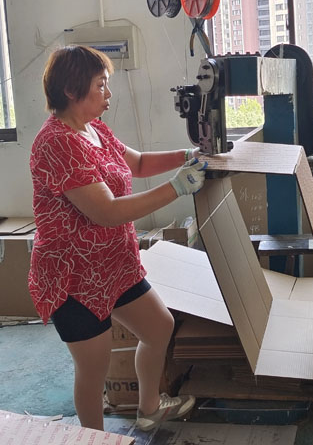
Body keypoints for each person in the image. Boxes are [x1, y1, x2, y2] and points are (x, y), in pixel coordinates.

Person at [28, 44, 207, 432]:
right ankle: (94, 438)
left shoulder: (93, 129)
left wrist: (187, 156)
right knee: (94, 367)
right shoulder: (57, 142)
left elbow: (137, 163)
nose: (108, 93)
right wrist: (176, 188)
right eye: (100, 85)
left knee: (159, 327)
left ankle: (149, 409)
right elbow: (106, 212)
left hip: (113, 264)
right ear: (71, 90)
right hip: (74, 276)